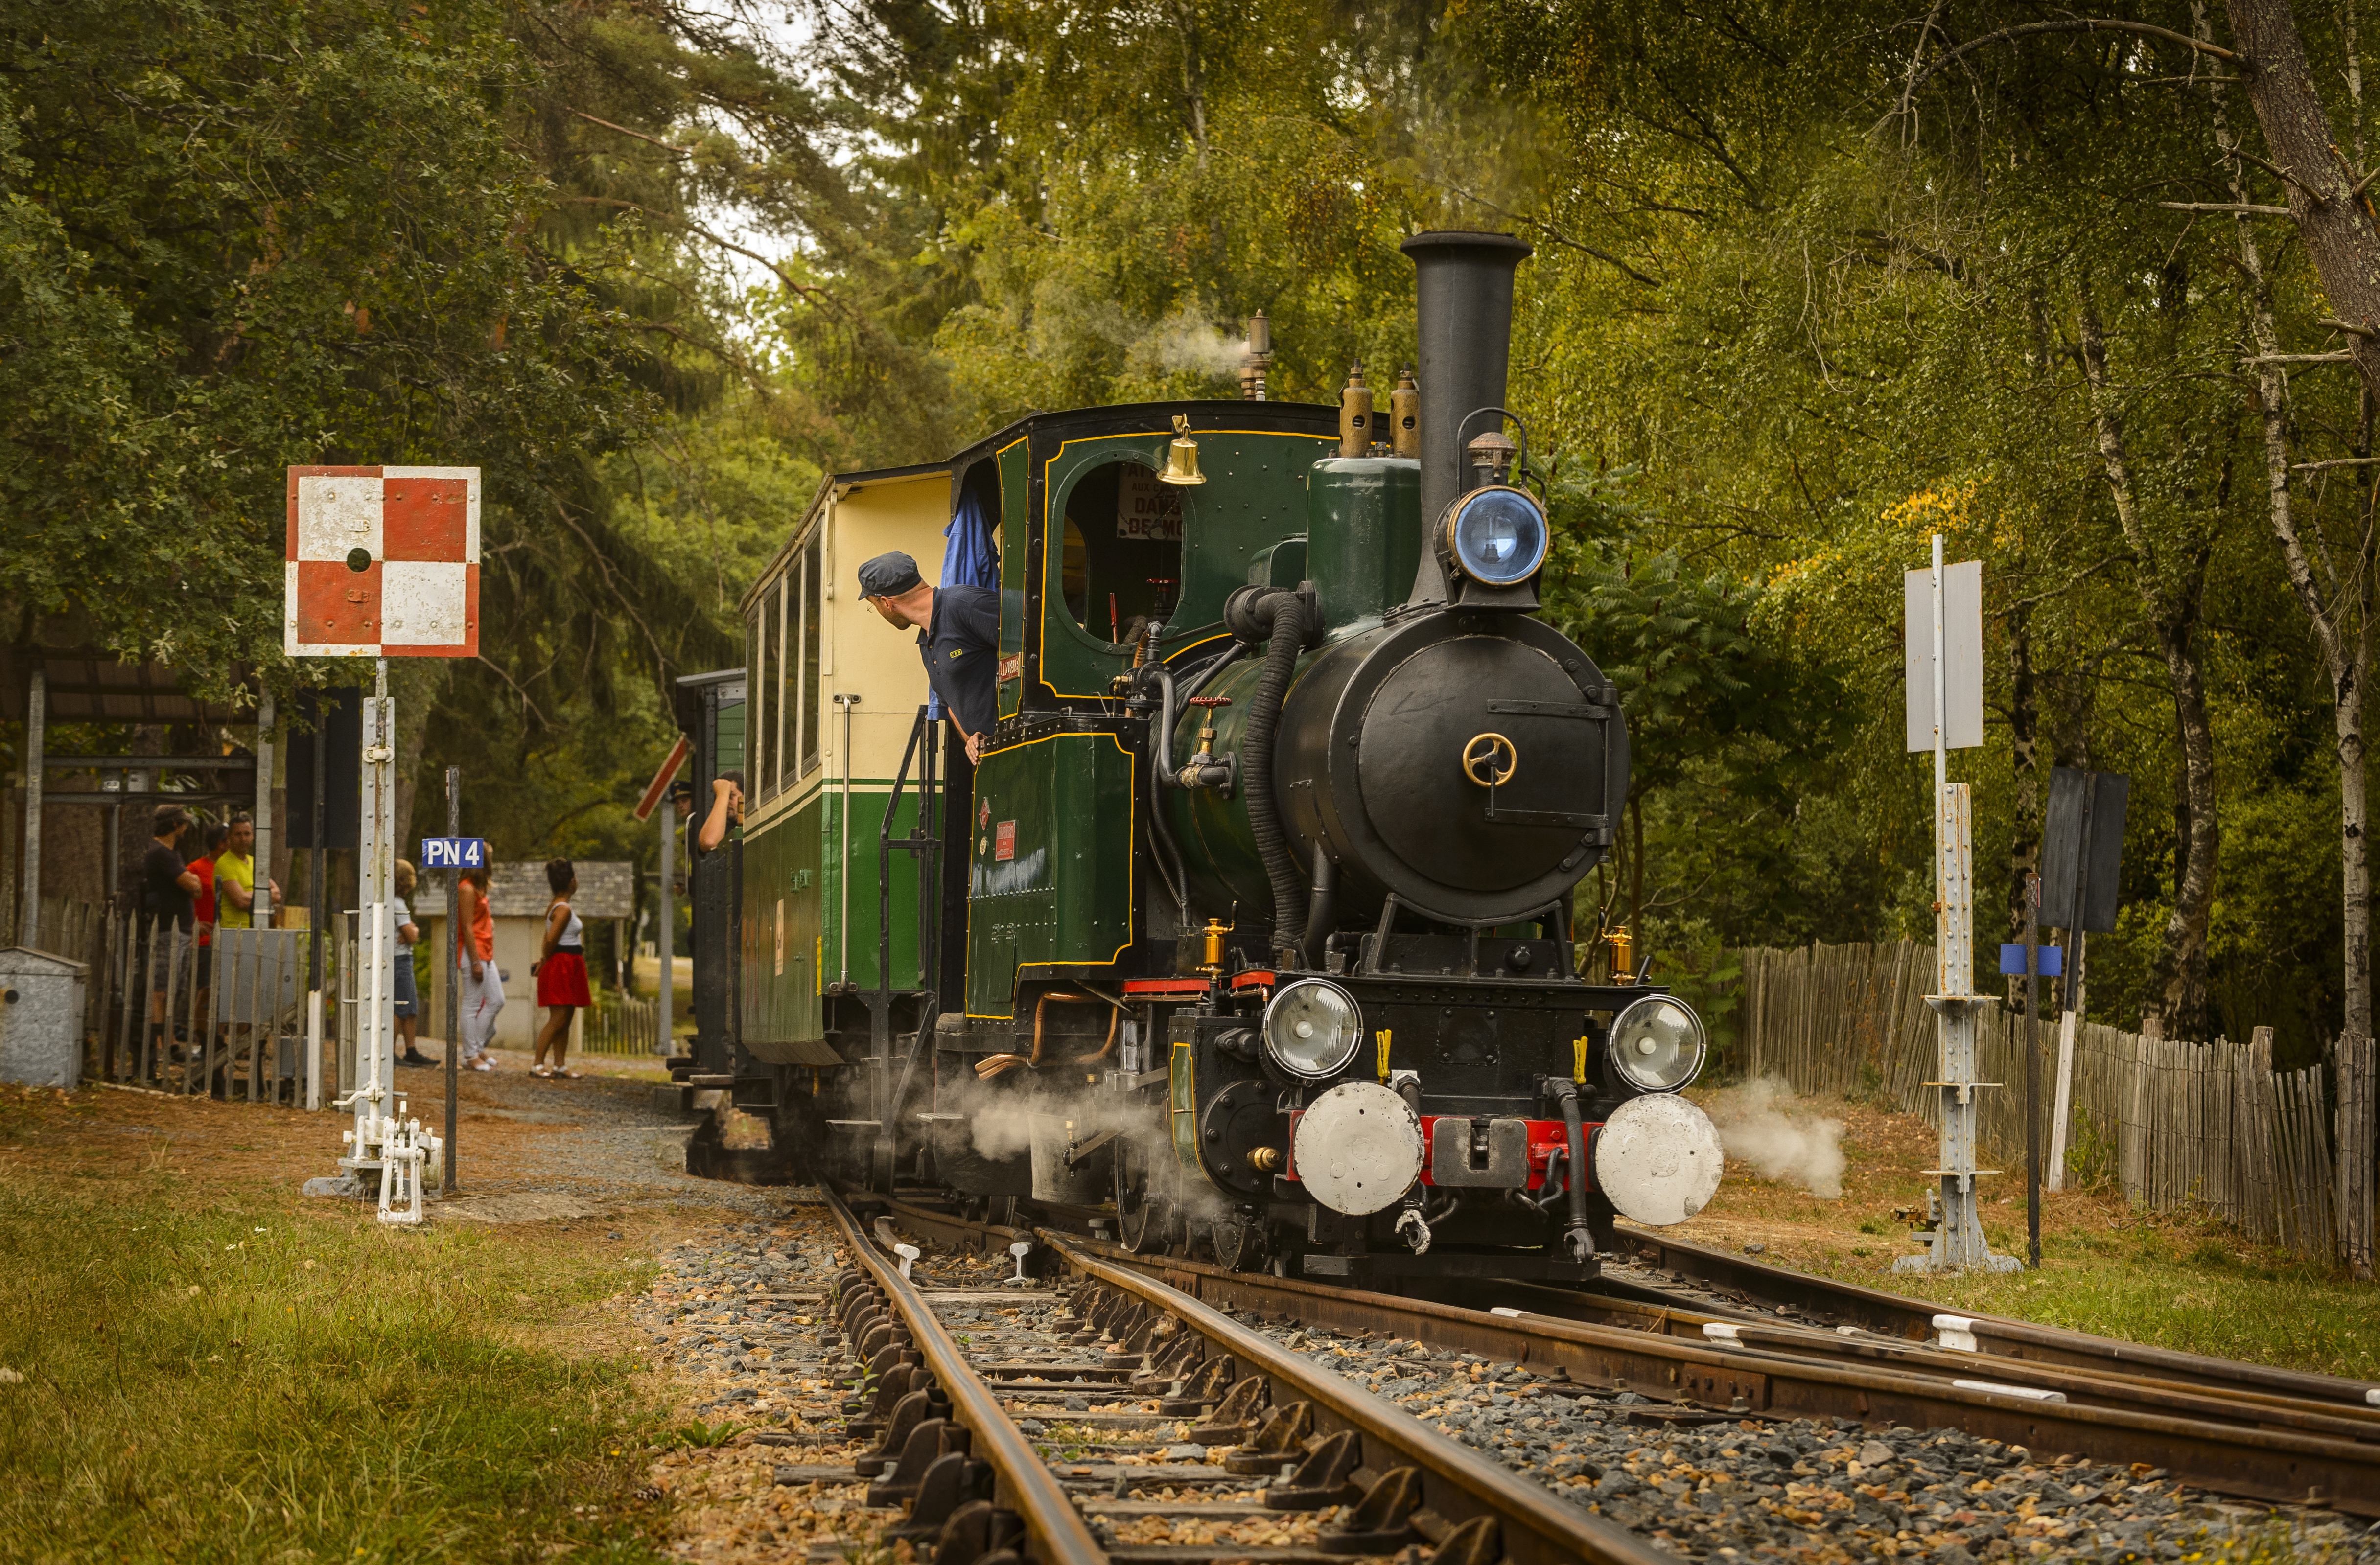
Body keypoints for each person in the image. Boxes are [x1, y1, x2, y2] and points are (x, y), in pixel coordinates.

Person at [856, 551, 1000, 762]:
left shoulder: (966, 603)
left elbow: (1031, 650)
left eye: (873, 605)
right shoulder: (926, 642)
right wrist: (971, 739)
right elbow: (950, 704)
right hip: (993, 760)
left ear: (886, 603)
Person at [140, 806, 201, 1056]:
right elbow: (192, 884)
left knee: (172, 988)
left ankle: (170, 1043)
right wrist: (192, 884)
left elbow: (195, 886)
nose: (186, 827)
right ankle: (157, 1046)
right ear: (176, 825)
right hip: (168, 928)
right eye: (184, 823)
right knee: (160, 989)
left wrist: (193, 885)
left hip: (179, 929)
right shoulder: (161, 854)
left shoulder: (169, 853)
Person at [533, 858, 590, 1079]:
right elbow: (550, 940)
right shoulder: (563, 909)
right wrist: (545, 960)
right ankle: (537, 1064)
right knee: (557, 1019)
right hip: (562, 964)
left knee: (566, 1018)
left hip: (571, 962)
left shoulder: (560, 905)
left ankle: (560, 1064)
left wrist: (543, 959)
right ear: (572, 881)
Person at [456, 864, 504, 1070]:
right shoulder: (466, 888)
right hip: (473, 952)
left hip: (485, 950)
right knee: (472, 1004)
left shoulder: (478, 887)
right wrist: (475, 961)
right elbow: (466, 926)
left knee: (496, 1000)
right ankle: (470, 1055)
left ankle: (477, 1048)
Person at [392, 859, 431, 1067]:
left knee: (410, 1005)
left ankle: (411, 1049)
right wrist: (412, 932)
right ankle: (391, 1052)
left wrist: (411, 931)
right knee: (401, 1005)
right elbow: (412, 934)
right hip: (400, 959)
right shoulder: (398, 904)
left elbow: (410, 930)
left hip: (401, 958)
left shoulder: (395, 903)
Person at [214, 812, 279, 931]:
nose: (243, 839)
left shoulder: (255, 863)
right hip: (232, 932)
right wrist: (263, 895)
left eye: (247, 834)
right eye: (238, 834)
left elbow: (278, 894)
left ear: (253, 835)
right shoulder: (224, 863)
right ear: (229, 836)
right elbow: (241, 901)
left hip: (256, 930)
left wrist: (249, 895)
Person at [696, 770, 744, 853]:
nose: (726, 802)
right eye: (723, 797)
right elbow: (709, 842)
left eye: (731, 796)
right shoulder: (722, 829)